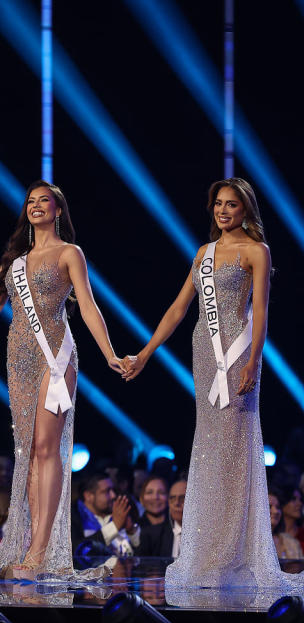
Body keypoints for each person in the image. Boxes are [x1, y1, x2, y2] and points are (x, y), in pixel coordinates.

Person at [0, 180, 126, 580]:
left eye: (43, 201)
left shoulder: (70, 253)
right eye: (30, 202)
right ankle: (34, 542)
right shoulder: (14, 261)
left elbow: (87, 304)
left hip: (56, 360)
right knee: (28, 452)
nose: (36, 207)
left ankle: (40, 549)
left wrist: (109, 354)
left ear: (58, 210)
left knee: (48, 450)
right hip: (19, 361)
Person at [122, 178, 304, 590]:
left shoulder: (257, 250)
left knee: (235, 449)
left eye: (232, 205)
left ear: (246, 210)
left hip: (238, 354)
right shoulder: (204, 255)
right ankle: (208, 553)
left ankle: (233, 553)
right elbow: (178, 309)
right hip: (204, 353)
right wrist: (145, 353)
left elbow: (260, 313)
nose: (223, 211)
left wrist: (254, 362)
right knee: (208, 448)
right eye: (218, 204)